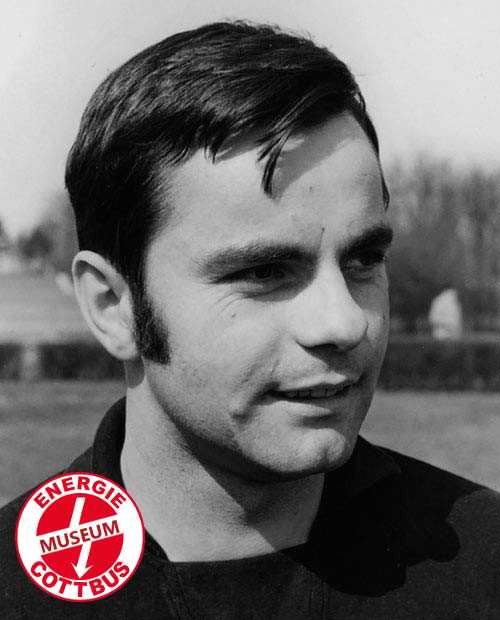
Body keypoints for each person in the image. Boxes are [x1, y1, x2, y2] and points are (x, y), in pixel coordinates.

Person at [1, 20, 499, 619]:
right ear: (114, 306)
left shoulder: (482, 567)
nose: (344, 323)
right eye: (265, 272)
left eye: (364, 259)